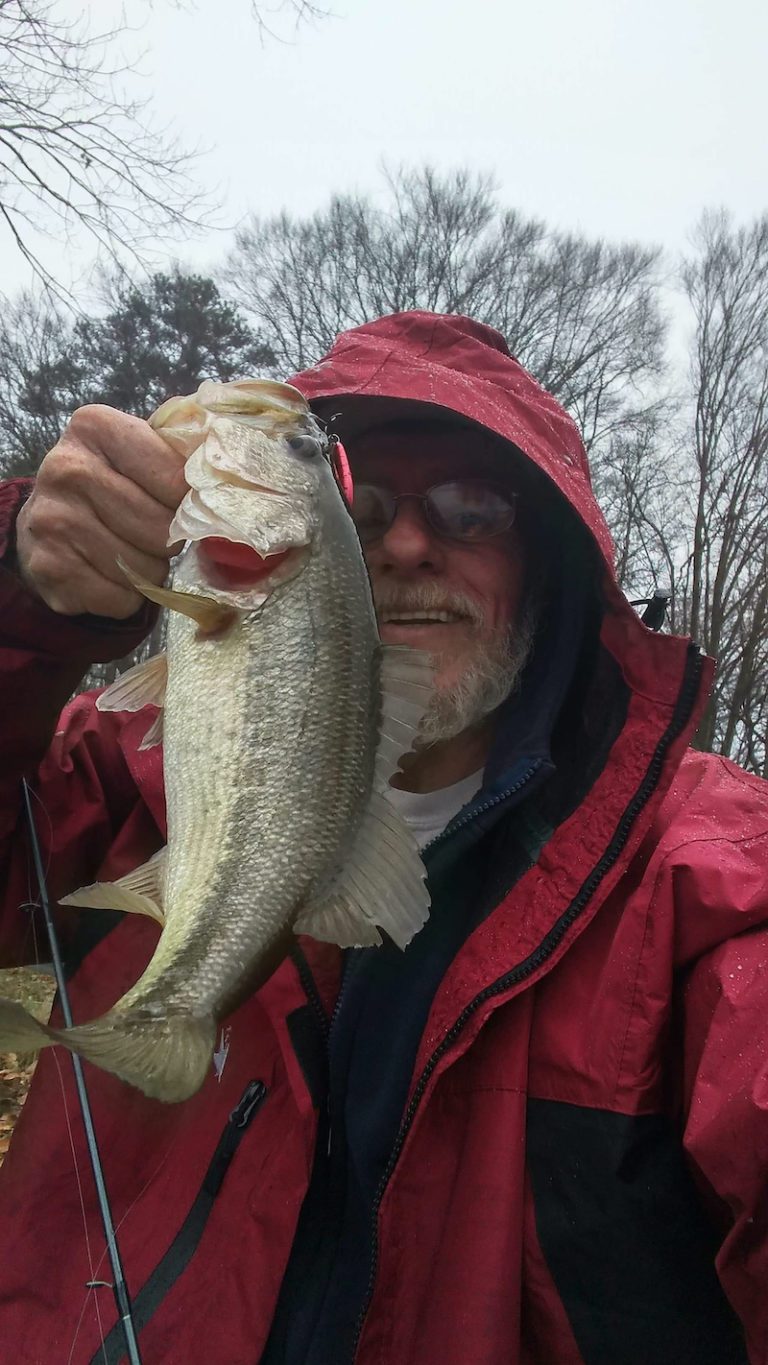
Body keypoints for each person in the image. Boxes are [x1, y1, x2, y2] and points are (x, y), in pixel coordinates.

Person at [0, 310, 765, 1365]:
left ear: (547, 565)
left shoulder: (713, 873)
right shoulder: (113, 770)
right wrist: (26, 620)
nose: (408, 542)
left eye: (473, 506)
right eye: (359, 503)